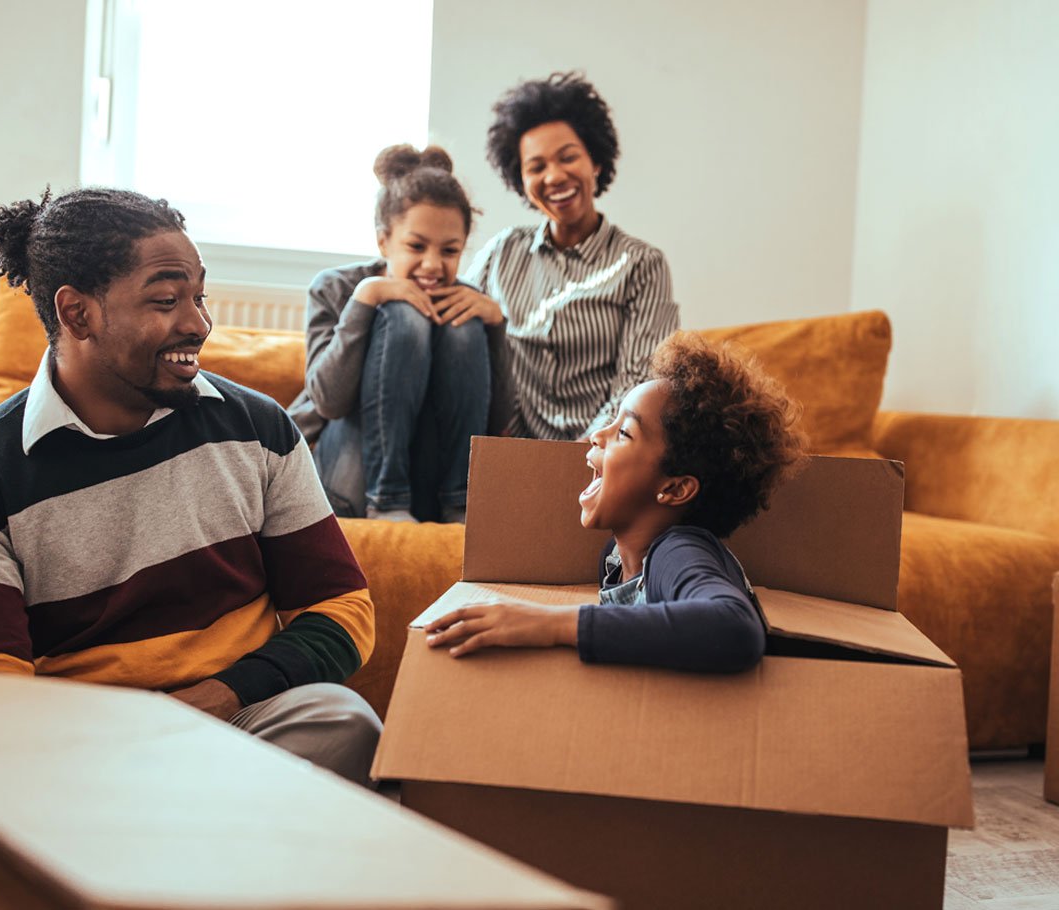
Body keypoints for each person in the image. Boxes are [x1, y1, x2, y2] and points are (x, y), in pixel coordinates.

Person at [0, 187, 381, 786]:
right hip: (76, 755)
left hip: (241, 721)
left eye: (199, 296)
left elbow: (342, 609)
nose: (199, 324)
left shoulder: (258, 428)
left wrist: (213, 700)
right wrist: (125, 742)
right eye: (166, 300)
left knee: (343, 724)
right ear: (77, 313)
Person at [425, 332, 806, 671]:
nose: (597, 435)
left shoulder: (677, 551)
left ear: (674, 490)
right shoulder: (616, 557)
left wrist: (551, 623)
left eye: (624, 431)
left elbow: (735, 627)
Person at [289, 144, 512, 523]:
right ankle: (386, 500)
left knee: (462, 324)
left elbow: (497, 424)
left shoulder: (468, 303)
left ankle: (460, 503)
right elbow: (327, 401)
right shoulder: (336, 287)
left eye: (449, 251)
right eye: (416, 246)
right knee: (403, 316)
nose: (432, 264)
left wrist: (495, 326)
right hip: (351, 478)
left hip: (431, 487)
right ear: (384, 241)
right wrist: (366, 300)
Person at [466, 71, 679, 441]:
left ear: (595, 161)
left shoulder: (643, 264)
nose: (554, 176)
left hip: (603, 458)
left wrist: (578, 457)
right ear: (521, 180)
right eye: (537, 167)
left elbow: (638, 384)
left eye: (568, 157)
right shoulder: (501, 253)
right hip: (508, 454)